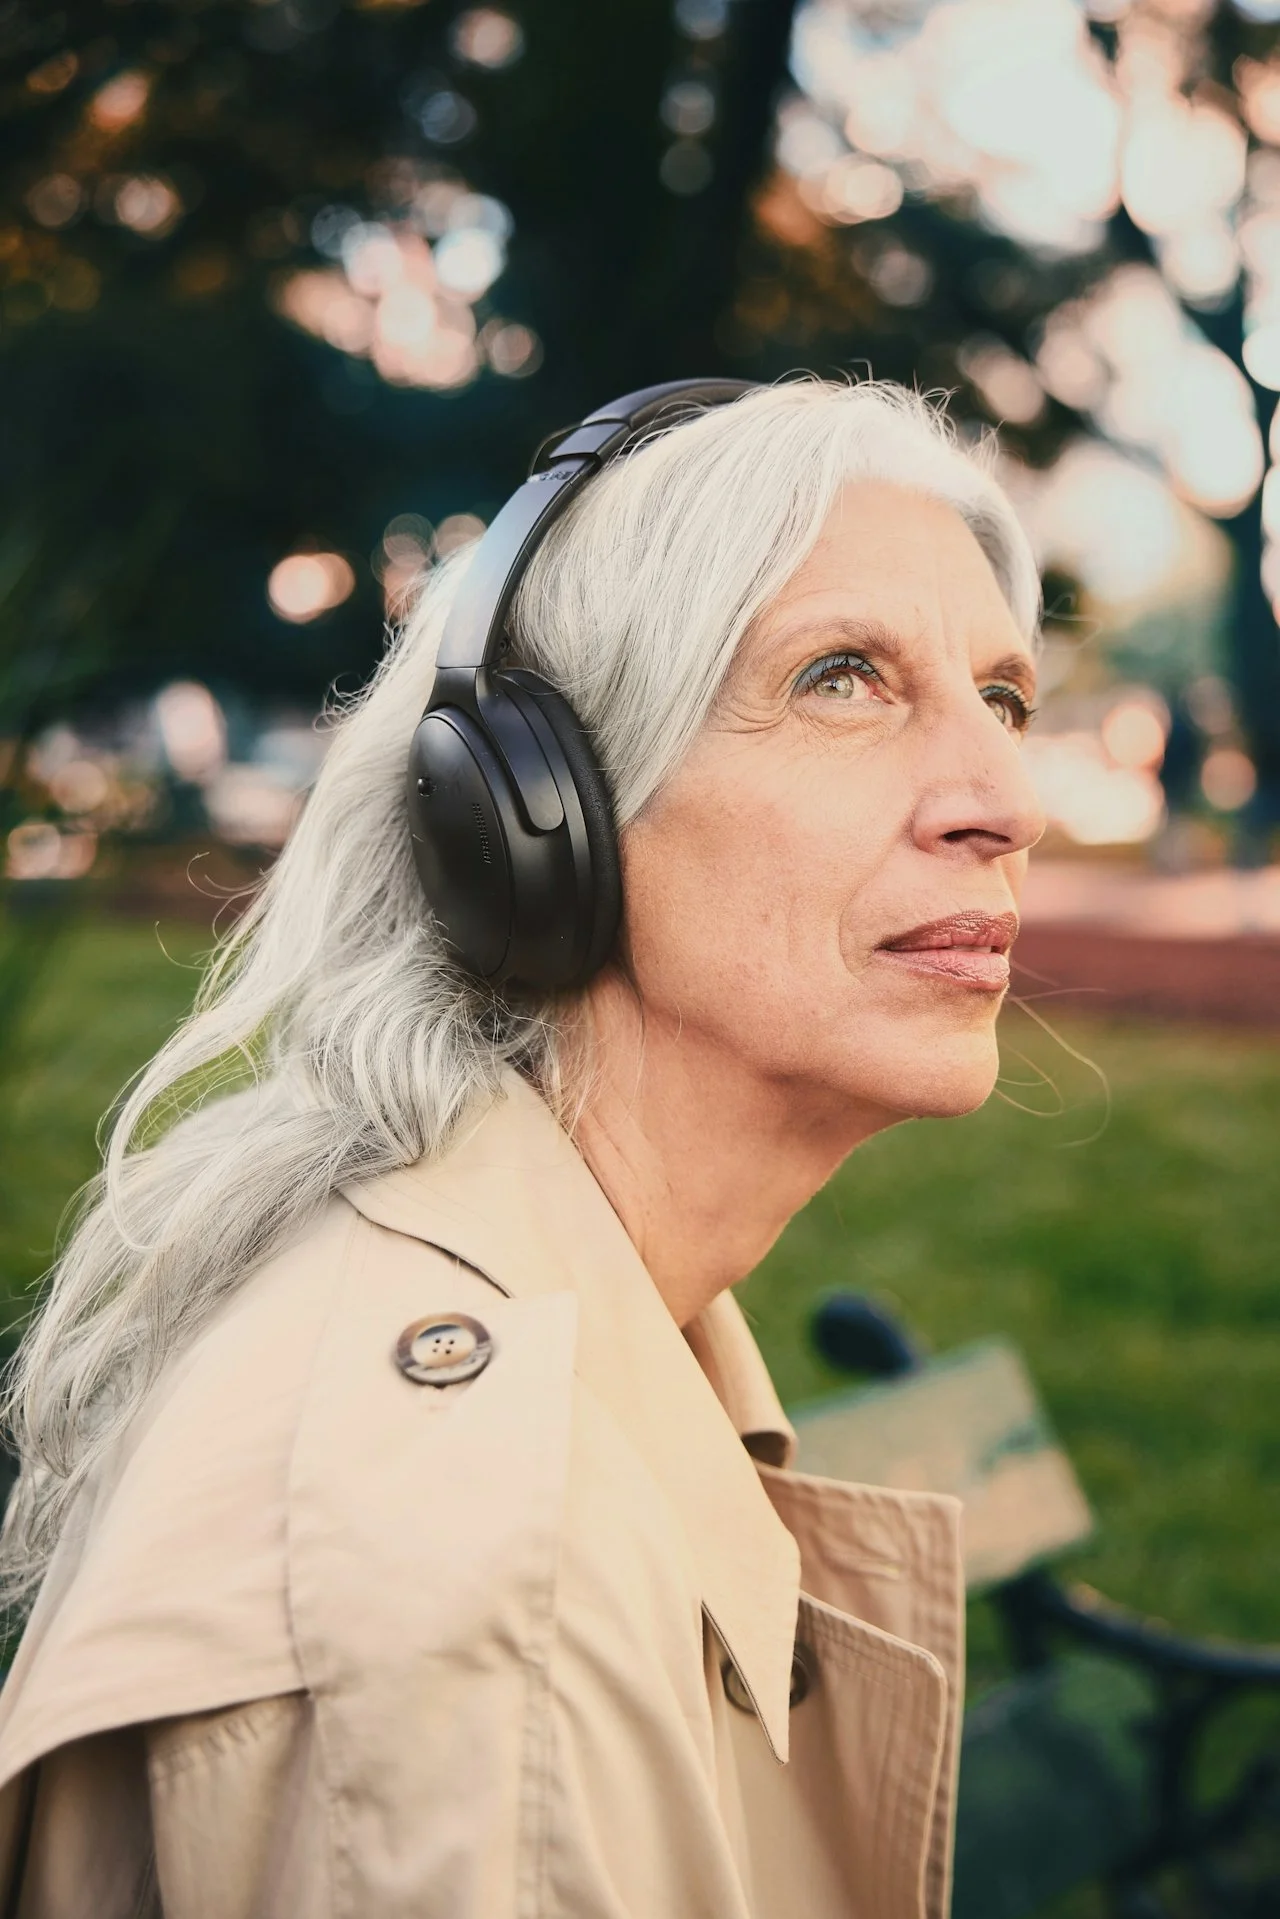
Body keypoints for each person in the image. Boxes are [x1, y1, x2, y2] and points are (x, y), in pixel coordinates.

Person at [0, 377, 1044, 1918]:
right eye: (843, 678)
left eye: (1006, 698)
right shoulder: (492, 1595)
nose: (1008, 801)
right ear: (532, 814)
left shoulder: (574, 1324)